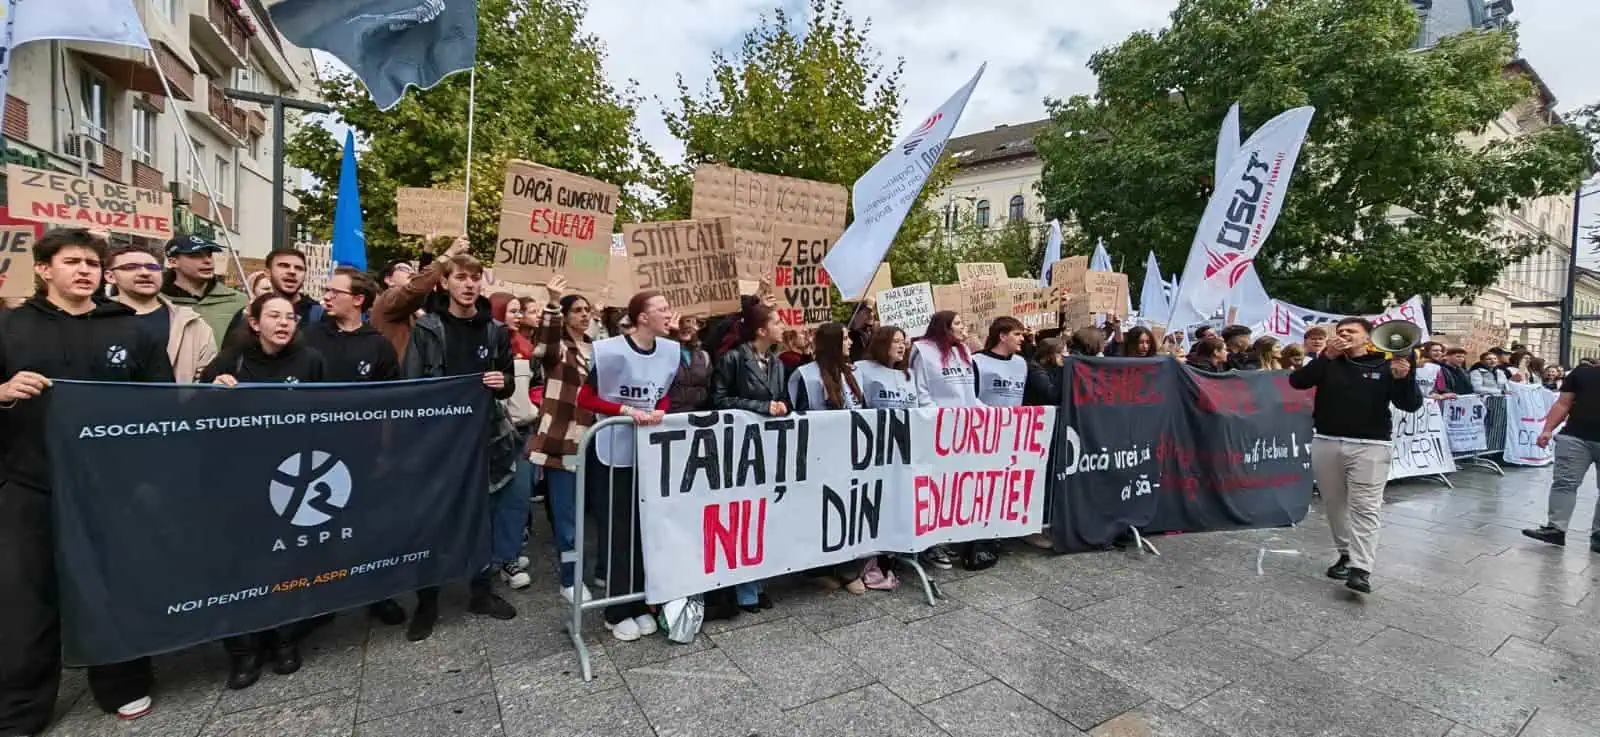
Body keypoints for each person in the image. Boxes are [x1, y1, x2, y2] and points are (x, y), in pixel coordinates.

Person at [0, 230, 175, 733]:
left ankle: (122, 683)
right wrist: (5, 390)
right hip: (31, 483)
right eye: (71, 261)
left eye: (92, 264)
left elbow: (158, 408)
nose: (84, 271)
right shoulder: (10, 328)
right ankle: (20, 708)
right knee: (24, 599)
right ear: (43, 269)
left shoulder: (134, 330)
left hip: (111, 489)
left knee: (112, 588)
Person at [199, 293, 327, 688]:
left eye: (290, 316)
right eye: (274, 315)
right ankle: (242, 650)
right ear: (254, 322)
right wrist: (213, 394)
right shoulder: (228, 363)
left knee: (287, 560)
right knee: (238, 565)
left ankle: (284, 640)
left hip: (292, 474)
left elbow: (330, 412)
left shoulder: (311, 362)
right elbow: (197, 419)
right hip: (239, 478)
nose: (284, 322)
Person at [397, 253, 518, 641]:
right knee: (433, 519)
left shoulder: (495, 330)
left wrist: (504, 382)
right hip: (440, 441)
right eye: (461, 277)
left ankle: (481, 592)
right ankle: (427, 602)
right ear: (445, 282)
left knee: (482, 514)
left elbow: (509, 381)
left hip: (484, 436)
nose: (469, 285)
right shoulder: (428, 328)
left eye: (475, 278)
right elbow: (412, 385)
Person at [1288, 317, 1423, 595]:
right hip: (1327, 441)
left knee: (1366, 507)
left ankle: (1362, 569)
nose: (1344, 334)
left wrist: (1405, 378)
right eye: (1339, 332)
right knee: (1335, 504)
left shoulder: (1385, 366)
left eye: (1351, 331)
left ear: (1368, 338)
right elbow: (1298, 381)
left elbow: (1409, 405)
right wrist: (1326, 356)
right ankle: (1346, 554)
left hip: (1370, 446)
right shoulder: (1328, 363)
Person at [575, 289, 680, 641]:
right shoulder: (611, 351)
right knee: (618, 532)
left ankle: (639, 602)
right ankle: (615, 610)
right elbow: (586, 397)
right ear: (641, 318)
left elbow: (662, 390)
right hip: (613, 451)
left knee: (644, 530)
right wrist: (625, 411)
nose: (669, 314)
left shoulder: (669, 350)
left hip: (648, 453)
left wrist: (659, 409)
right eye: (661, 309)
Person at [712, 300, 789, 611]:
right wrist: (761, 408)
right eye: (777, 322)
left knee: (765, 515)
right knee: (743, 515)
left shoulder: (777, 363)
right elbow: (719, 399)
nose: (783, 327)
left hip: (768, 447)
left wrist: (783, 406)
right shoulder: (732, 359)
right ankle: (743, 587)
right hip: (739, 448)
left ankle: (757, 582)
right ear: (761, 329)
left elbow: (779, 398)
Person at [529, 276, 600, 603]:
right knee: (568, 515)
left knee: (598, 510)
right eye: (578, 311)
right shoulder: (558, 349)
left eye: (588, 310)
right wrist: (553, 304)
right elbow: (543, 345)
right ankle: (570, 580)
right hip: (566, 442)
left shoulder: (598, 348)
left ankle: (601, 570)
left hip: (598, 441)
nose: (584, 315)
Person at [106, 244, 216, 383]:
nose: (145, 273)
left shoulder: (193, 324)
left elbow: (206, 381)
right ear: (110, 276)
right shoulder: (92, 319)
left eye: (152, 267)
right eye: (131, 267)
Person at [1523, 359, 1600, 551]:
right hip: (1575, 437)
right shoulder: (1582, 373)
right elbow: (1563, 403)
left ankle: (1599, 535)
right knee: (1565, 482)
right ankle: (1556, 529)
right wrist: (1547, 429)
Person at [369, 236, 471, 361]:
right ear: (388, 279)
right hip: (394, 378)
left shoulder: (409, 308)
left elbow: (424, 285)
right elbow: (419, 286)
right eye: (404, 269)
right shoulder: (388, 297)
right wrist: (449, 253)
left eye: (412, 269)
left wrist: (428, 251)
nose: (411, 272)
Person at [160, 233, 246, 349]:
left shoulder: (239, 301)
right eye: (196, 255)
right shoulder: (158, 302)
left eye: (209, 255)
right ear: (173, 262)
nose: (207, 261)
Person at [224, 248, 315, 339]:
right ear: (268, 273)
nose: (292, 271)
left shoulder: (319, 315)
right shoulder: (248, 314)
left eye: (299, 268)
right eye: (284, 266)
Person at [855, 326, 920, 410]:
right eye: (896, 341)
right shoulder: (862, 368)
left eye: (903, 342)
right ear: (882, 344)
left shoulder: (910, 374)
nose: (902, 346)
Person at [974, 316, 1028, 407]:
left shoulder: (1021, 362)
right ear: (1002, 336)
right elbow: (969, 397)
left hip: (1014, 419)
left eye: (1022, 335)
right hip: (985, 419)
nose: (1022, 338)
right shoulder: (976, 361)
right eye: (1017, 334)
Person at [666, 315, 712, 412]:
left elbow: (709, 386)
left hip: (699, 413)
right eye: (681, 323)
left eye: (691, 322)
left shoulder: (704, 356)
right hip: (671, 414)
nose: (687, 327)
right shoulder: (663, 353)